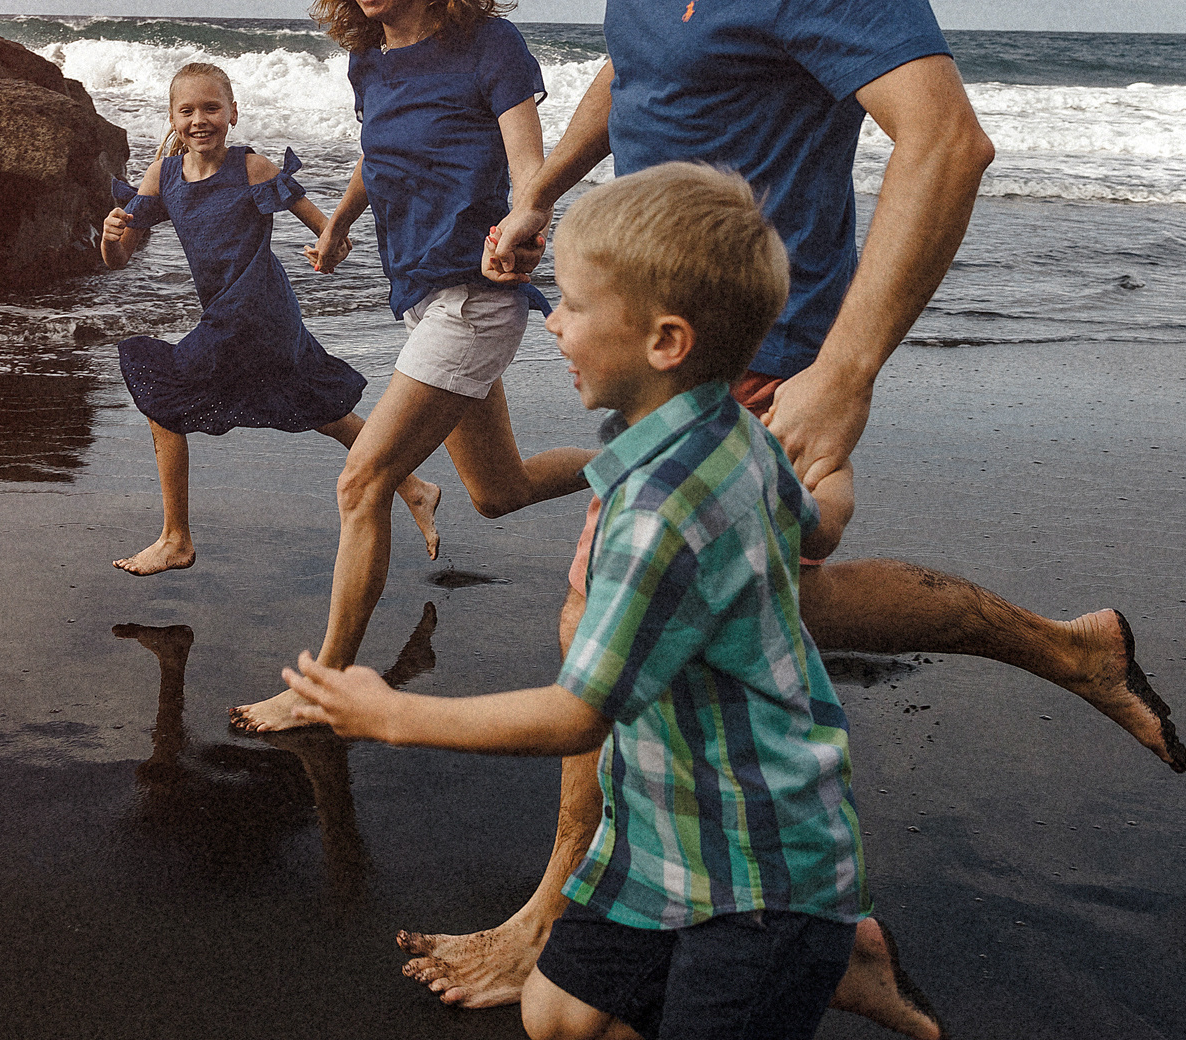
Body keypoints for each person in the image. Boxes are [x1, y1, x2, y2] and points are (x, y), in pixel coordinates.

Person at [393, 0, 1182, 1036]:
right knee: (748, 614)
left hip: (753, 358)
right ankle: (1060, 660)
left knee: (607, 622)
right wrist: (544, 188)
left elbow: (946, 138)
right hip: (659, 358)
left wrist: (843, 375)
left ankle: (556, 917)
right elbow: (638, 66)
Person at [287, 163, 865, 1040]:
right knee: (554, 1015)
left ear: (665, 341)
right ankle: (844, 965)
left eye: (575, 305)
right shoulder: (734, 426)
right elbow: (815, 529)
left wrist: (391, 713)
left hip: (759, 868)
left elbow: (577, 716)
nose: (550, 321)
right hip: (665, 829)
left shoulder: (659, 512)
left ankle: (827, 960)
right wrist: (838, 484)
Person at [224, 0, 595, 733]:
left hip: (476, 294)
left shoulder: (488, 46)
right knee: (497, 491)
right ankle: (644, 459)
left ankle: (325, 688)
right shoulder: (370, 61)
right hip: (421, 295)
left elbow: (527, 159)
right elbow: (375, 152)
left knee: (365, 482)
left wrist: (526, 216)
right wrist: (342, 223)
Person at [102, 61, 440, 575]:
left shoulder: (251, 168)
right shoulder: (164, 177)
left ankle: (176, 537)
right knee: (314, 408)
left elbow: (328, 229)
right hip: (236, 314)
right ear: (171, 117)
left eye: (212, 108)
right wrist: (108, 238)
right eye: (187, 110)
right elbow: (119, 258)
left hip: (258, 310)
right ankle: (413, 486)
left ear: (233, 113)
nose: (200, 119)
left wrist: (330, 248)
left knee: (159, 387)